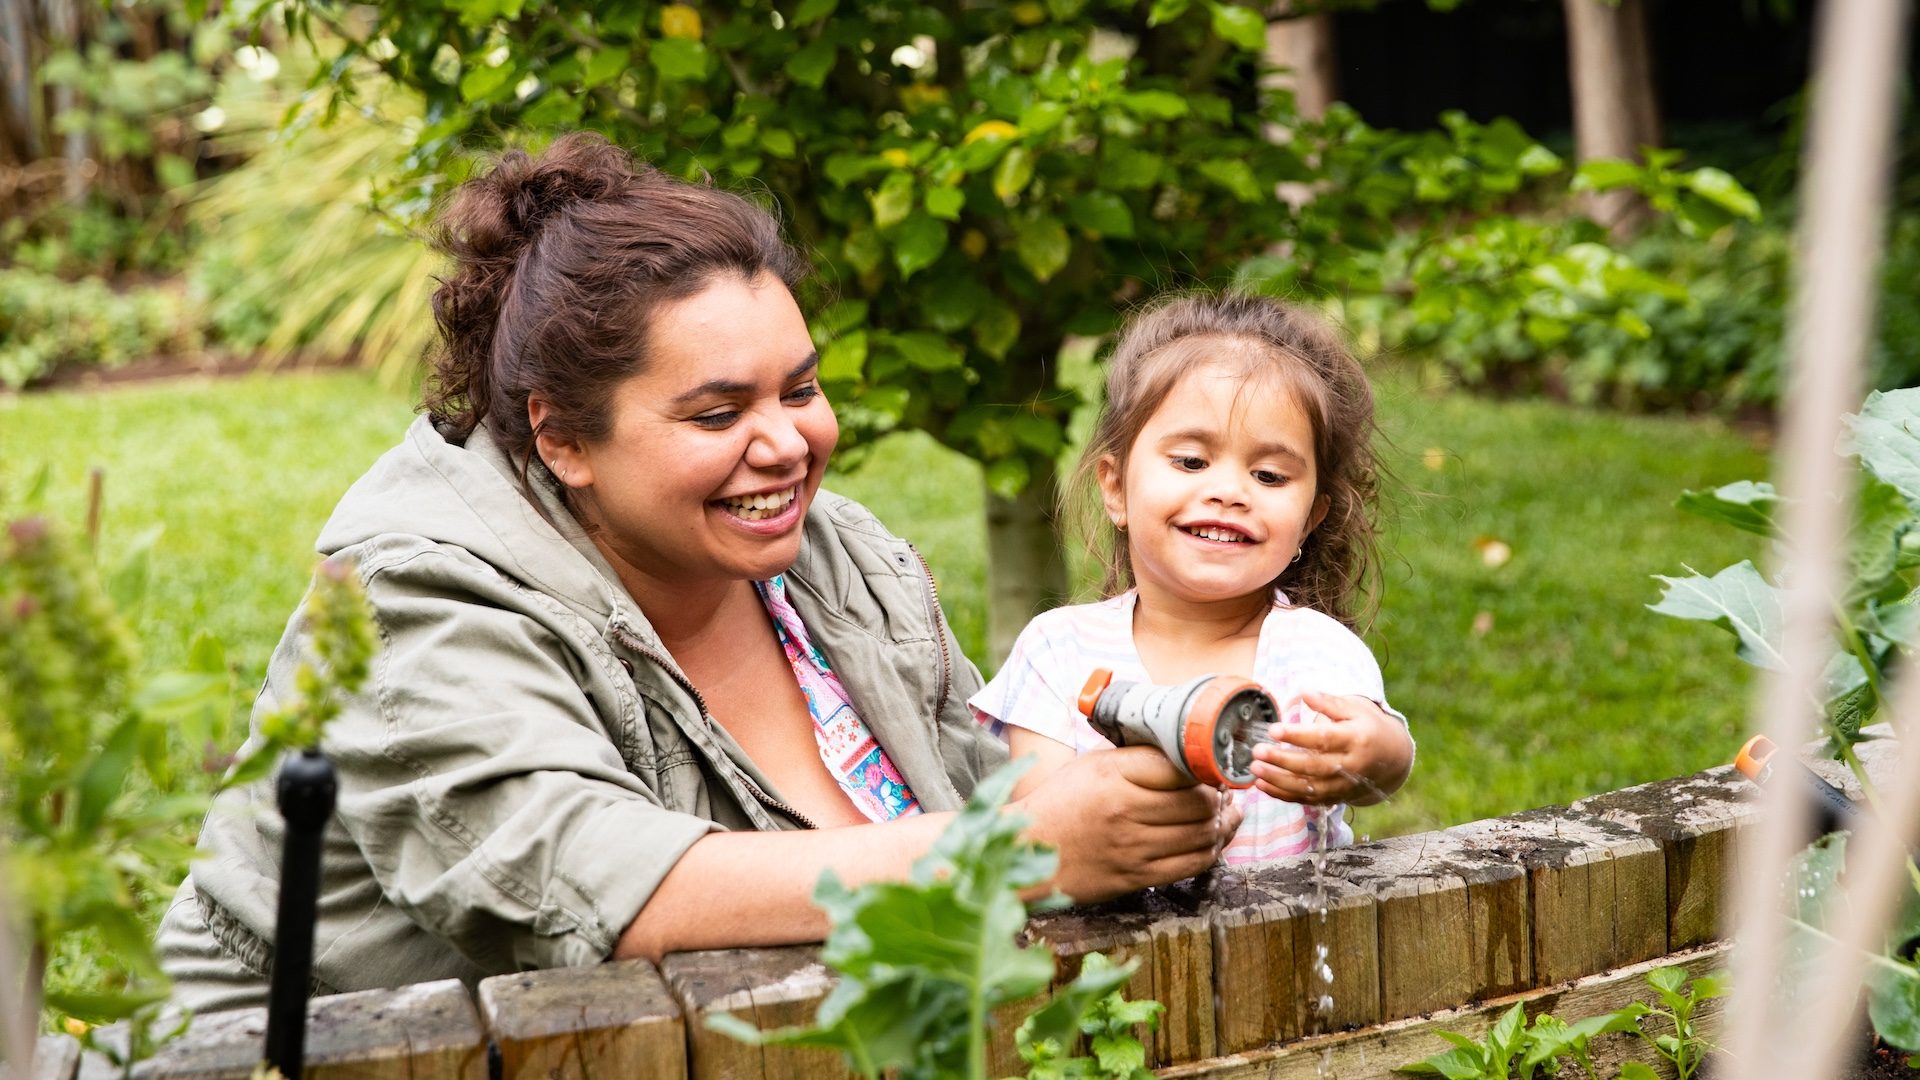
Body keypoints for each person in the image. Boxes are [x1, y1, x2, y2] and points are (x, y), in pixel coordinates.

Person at [156, 134, 1241, 1011]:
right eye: (718, 412)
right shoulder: (418, 595)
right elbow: (590, 885)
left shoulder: (835, 556)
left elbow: (978, 789)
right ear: (564, 438)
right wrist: (1015, 856)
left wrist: (1130, 813)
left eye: (800, 389)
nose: (785, 444)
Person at [968, 293, 1413, 865]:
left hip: (1284, 942)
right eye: (1191, 462)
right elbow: (1038, 823)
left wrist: (1376, 759)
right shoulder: (1058, 652)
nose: (1229, 491)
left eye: (1270, 475)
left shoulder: (1314, 654)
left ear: (1310, 518)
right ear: (1115, 488)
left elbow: (1381, 752)